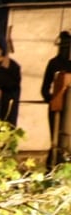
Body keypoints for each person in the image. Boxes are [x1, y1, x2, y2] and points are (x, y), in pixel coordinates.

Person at [41, 31, 71, 169]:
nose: (65, 49)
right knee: (56, 140)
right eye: (62, 46)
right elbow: (45, 88)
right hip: (57, 108)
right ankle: (51, 168)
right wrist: (52, 100)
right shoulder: (53, 63)